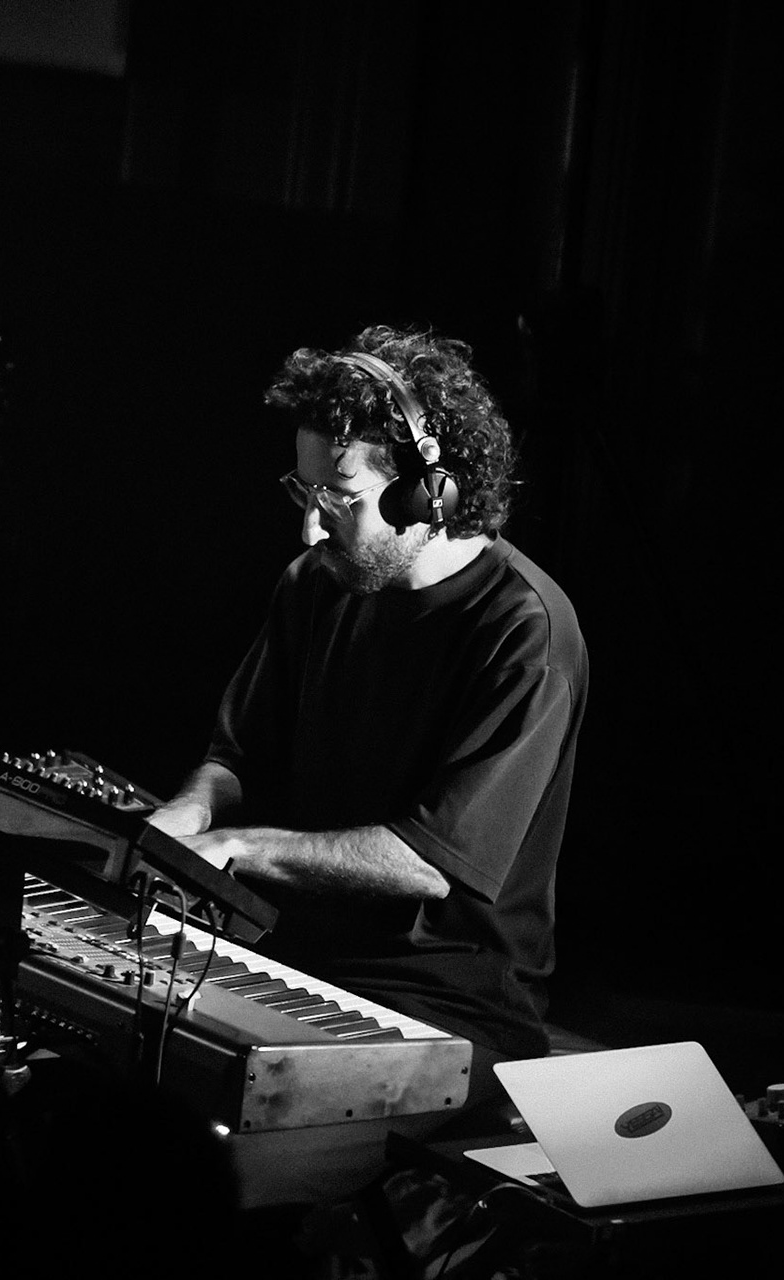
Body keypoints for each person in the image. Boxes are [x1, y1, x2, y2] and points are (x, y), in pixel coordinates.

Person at [150, 324, 587, 1100]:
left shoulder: (526, 632)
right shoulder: (315, 584)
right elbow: (238, 758)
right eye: (304, 491)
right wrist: (184, 818)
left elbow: (427, 862)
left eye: (338, 499)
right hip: (290, 955)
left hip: (442, 1005)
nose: (311, 527)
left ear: (429, 493)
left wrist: (238, 846)